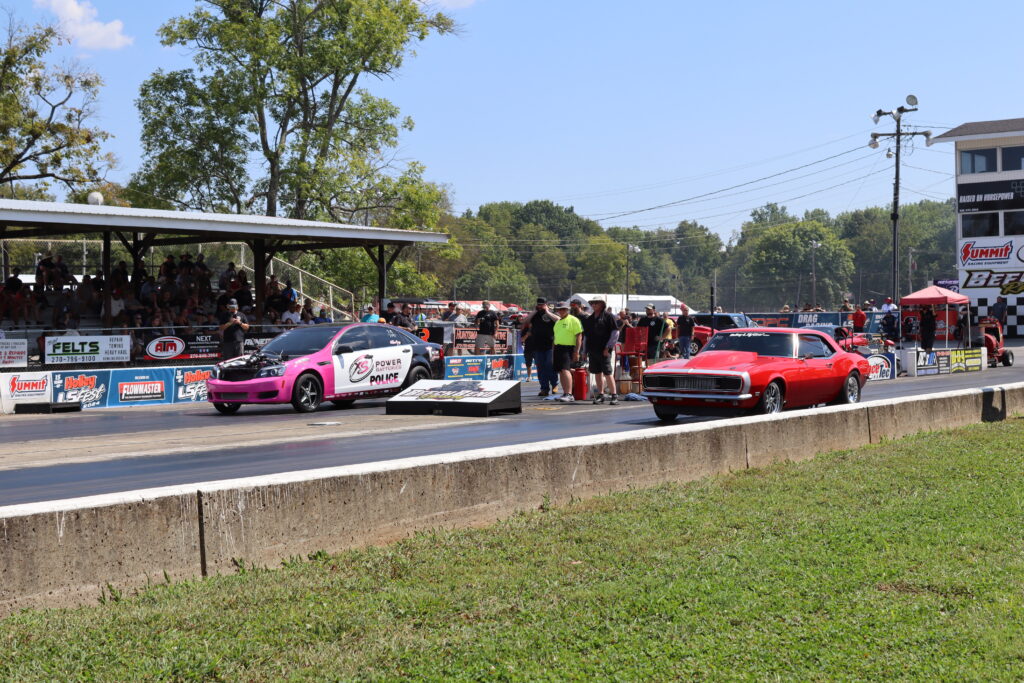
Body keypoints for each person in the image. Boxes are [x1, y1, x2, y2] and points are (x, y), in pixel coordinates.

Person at [582, 296, 619, 405]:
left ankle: (614, 395)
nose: (594, 305)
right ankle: (600, 395)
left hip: (604, 350)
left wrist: (608, 347)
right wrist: (584, 351)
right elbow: (586, 337)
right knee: (597, 373)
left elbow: (615, 333)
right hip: (593, 350)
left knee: (608, 373)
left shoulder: (609, 316)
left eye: (596, 303)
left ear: (602, 304)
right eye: (592, 303)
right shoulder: (589, 319)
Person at [521, 298, 558, 397]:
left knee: (549, 366)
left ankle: (555, 385)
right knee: (541, 368)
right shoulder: (535, 315)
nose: (540, 306)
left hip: (550, 345)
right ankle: (544, 388)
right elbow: (525, 322)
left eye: (542, 305)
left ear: (546, 304)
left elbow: (558, 320)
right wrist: (534, 311)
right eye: (539, 304)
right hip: (537, 346)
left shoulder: (551, 314)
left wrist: (547, 311)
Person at [552, 301, 583, 402]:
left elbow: (579, 336)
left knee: (566, 369)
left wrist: (576, 351)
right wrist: (553, 350)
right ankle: (565, 393)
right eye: (559, 309)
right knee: (561, 371)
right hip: (558, 348)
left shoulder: (573, 320)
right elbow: (556, 337)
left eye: (563, 309)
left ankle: (569, 394)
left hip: (568, 347)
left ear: (567, 310)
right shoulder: (558, 322)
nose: (561, 311)